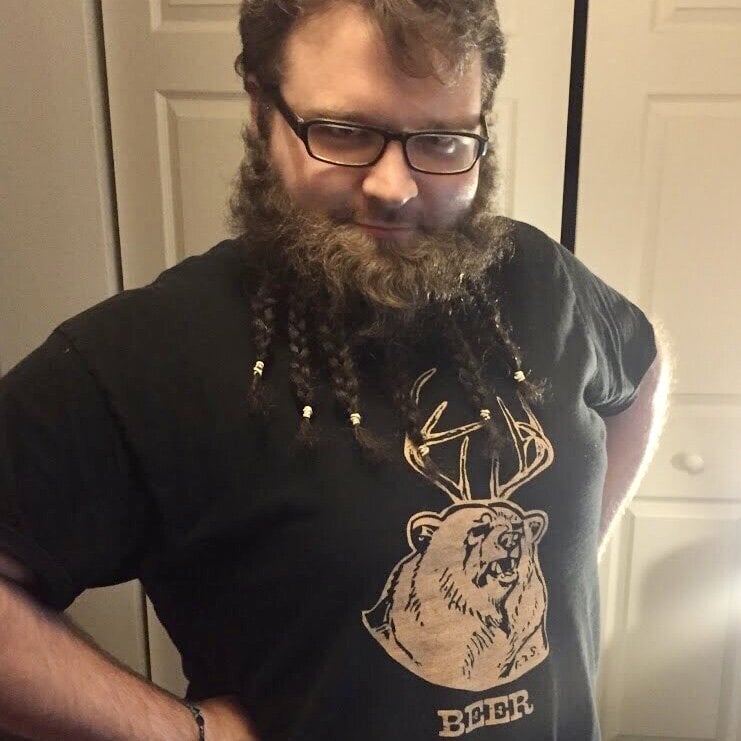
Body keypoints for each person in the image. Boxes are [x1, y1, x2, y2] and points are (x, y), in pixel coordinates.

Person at [0, 0, 669, 739]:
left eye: (442, 141)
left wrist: (569, 551)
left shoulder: (538, 278)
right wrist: (181, 733)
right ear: (262, 109)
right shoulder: (151, 352)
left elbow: (642, 367)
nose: (394, 186)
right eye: (345, 132)